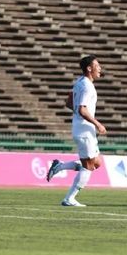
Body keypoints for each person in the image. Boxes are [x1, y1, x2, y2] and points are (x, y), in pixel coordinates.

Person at [46, 55, 107, 206]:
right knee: (89, 166)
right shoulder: (87, 86)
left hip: (82, 128)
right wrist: (98, 124)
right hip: (85, 131)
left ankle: (60, 166)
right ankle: (69, 198)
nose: (100, 68)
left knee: (97, 162)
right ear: (89, 68)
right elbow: (82, 109)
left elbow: (69, 102)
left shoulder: (79, 82)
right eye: (97, 66)